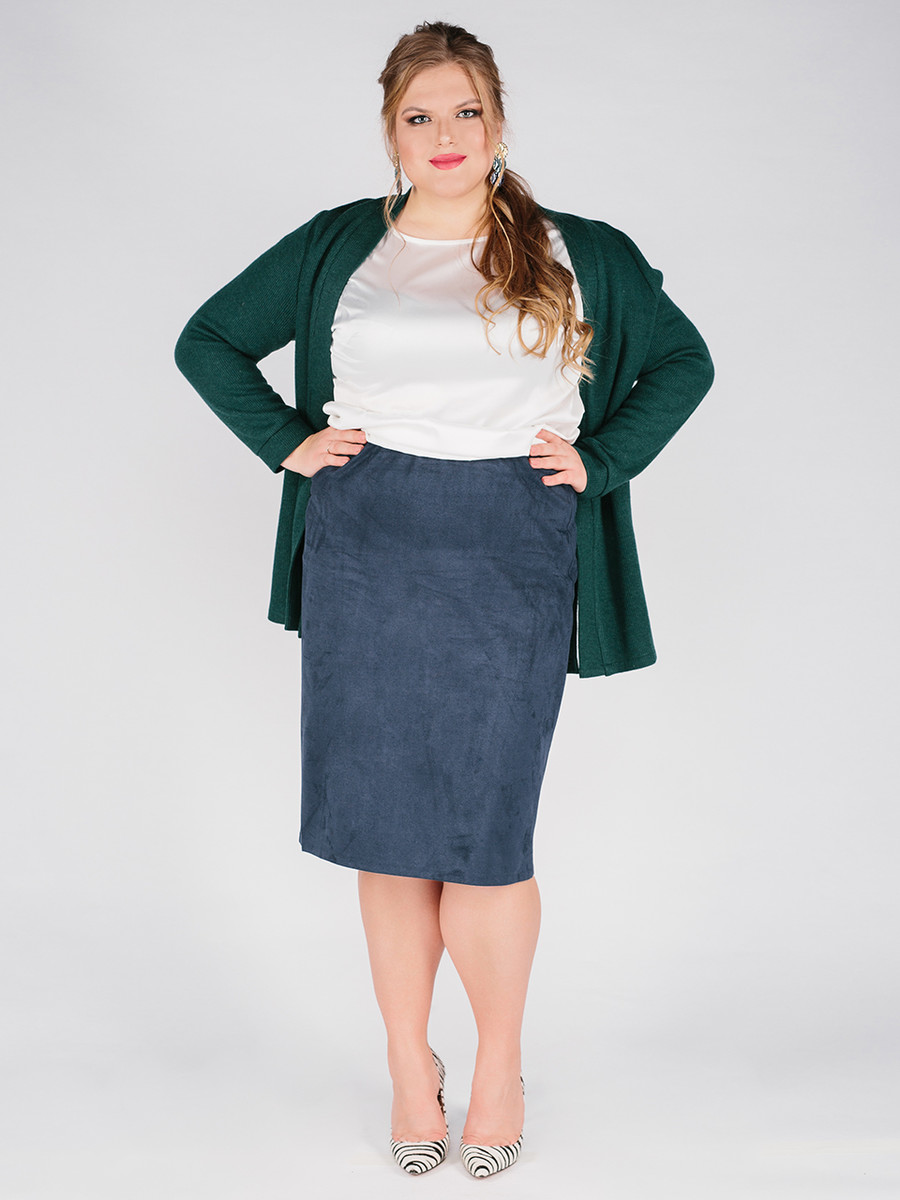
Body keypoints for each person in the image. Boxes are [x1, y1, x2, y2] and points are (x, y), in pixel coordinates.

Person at [174, 20, 714, 1179]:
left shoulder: (580, 251)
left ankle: (501, 1067)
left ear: (498, 120)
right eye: (419, 115)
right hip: (366, 544)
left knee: (485, 840)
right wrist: (289, 442)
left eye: (465, 110)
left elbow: (684, 362)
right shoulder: (339, 244)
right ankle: (409, 1068)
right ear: (390, 131)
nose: (445, 133)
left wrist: (603, 461)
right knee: (385, 831)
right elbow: (208, 340)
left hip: (512, 547)